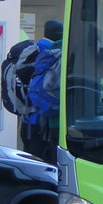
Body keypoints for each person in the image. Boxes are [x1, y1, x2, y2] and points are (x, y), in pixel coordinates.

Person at [24, 20, 63, 161]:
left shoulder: (34, 49)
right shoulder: (58, 52)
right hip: (46, 118)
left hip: (29, 116)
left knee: (31, 157)